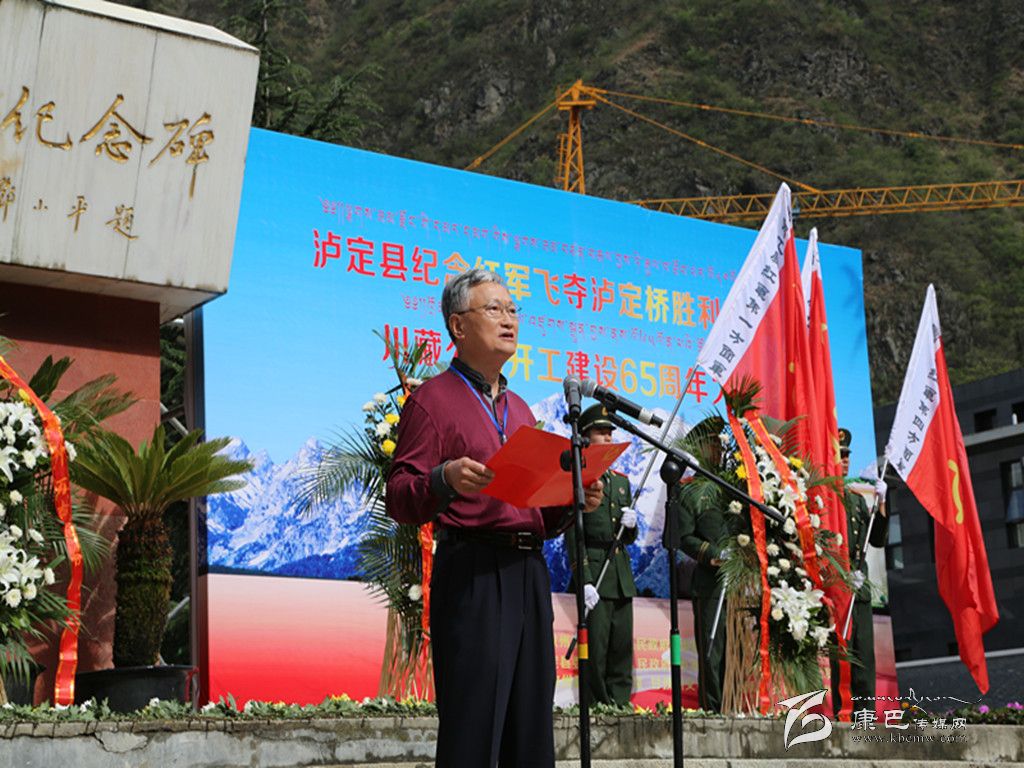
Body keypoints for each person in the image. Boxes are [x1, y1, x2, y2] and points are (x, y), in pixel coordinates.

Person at [386, 268, 603, 768]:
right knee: (474, 730)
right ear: (458, 326)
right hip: (474, 576)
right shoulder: (432, 401)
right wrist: (443, 478)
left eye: (512, 310)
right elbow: (399, 496)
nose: (509, 320)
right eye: (494, 309)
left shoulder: (519, 408)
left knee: (530, 731)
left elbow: (533, 511)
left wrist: (572, 502)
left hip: (529, 574)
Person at [564, 403, 638, 707]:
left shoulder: (620, 482)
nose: (608, 437)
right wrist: (584, 578)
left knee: (621, 643)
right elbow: (573, 532)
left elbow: (627, 538)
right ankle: (596, 704)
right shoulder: (578, 478)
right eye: (600, 432)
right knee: (596, 646)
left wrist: (631, 525)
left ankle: (620, 702)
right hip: (595, 570)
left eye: (610, 432)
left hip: (619, 571)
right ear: (585, 436)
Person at [831, 427, 889, 716]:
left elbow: (876, 539)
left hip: (860, 587)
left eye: (847, 456)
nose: (845, 461)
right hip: (836, 586)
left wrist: (881, 502)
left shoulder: (855, 500)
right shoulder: (827, 498)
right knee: (838, 654)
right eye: (840, 455)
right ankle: (838, 713)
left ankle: (865, 714)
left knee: (864, 655)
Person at [672, 416, 728, 713]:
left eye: (720, 443)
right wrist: (712, 553)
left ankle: (738, 707)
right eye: (712, 443)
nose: (718, 449)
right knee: (712, 651)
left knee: (738, 650)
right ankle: (713, 710)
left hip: (741, 584)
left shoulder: (735, 485)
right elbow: (683, 537)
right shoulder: (689, 490)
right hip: (710, 582)